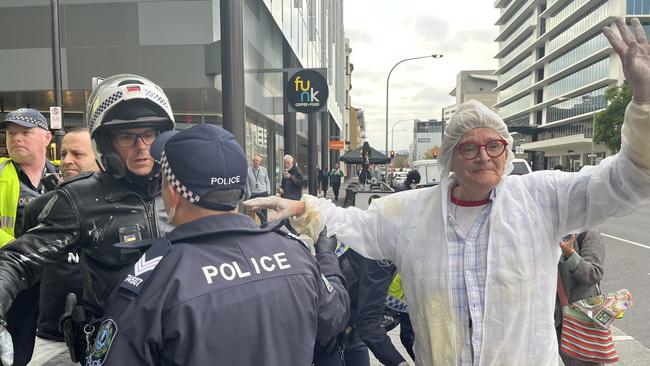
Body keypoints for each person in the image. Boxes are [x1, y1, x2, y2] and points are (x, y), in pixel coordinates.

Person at [244, 18, 650, 365]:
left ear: (506, 151)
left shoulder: (543, 199)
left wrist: (644, 103)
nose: (483, 156)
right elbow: (353, 223)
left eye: (494, 146)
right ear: (450, 159)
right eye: (469, 147)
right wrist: (300, 205)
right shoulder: (410, 214)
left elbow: (627, 180)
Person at [85, 124, 349, 365]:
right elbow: (335, 315)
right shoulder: (295, 253)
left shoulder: (154, 280)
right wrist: (326, 258)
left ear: (174, 193)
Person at [0, 74, 175, 366]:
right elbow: (17, 260)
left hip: (180, 339)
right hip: (116, 345)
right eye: (126, 136)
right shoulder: (79, 198)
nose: (141, 146)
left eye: (149, 134)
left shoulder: (183, 188)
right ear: (106, 143)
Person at [21, 128, 99, 350]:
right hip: (51, 338)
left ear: (99, 157)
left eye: (77, 154)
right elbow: (28, 277)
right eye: (63, 154)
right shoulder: (38, 208)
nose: (66, 161)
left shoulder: (121, 210)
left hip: (106, 336)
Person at [0, 108, 58, 366]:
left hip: (52, 281)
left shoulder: (61, 175)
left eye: (25, 132)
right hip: (10, 278)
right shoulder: (1, 173)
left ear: (47, 138)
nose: (16, 138)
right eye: (11, 133)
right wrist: (17, 248)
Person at [555, 231, 605, 366]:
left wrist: (570, 254)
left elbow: (594, 273)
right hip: (552, 316)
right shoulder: (547, 230)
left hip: (580, 317)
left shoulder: (588, 234)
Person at [247, 153, 270, 224]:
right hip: (253, 194)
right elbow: (247, 183)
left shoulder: (264, 170)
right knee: (257, 209)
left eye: (258, 160)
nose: (256, 162)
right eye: (255, 160)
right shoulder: (248, 170)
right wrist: (249, 194)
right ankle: (265, 222)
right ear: (252, 161)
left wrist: (268, 191)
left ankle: (264, 226)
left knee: (264, 211)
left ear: (260, 162)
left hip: (263, 193)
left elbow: (267, 181)